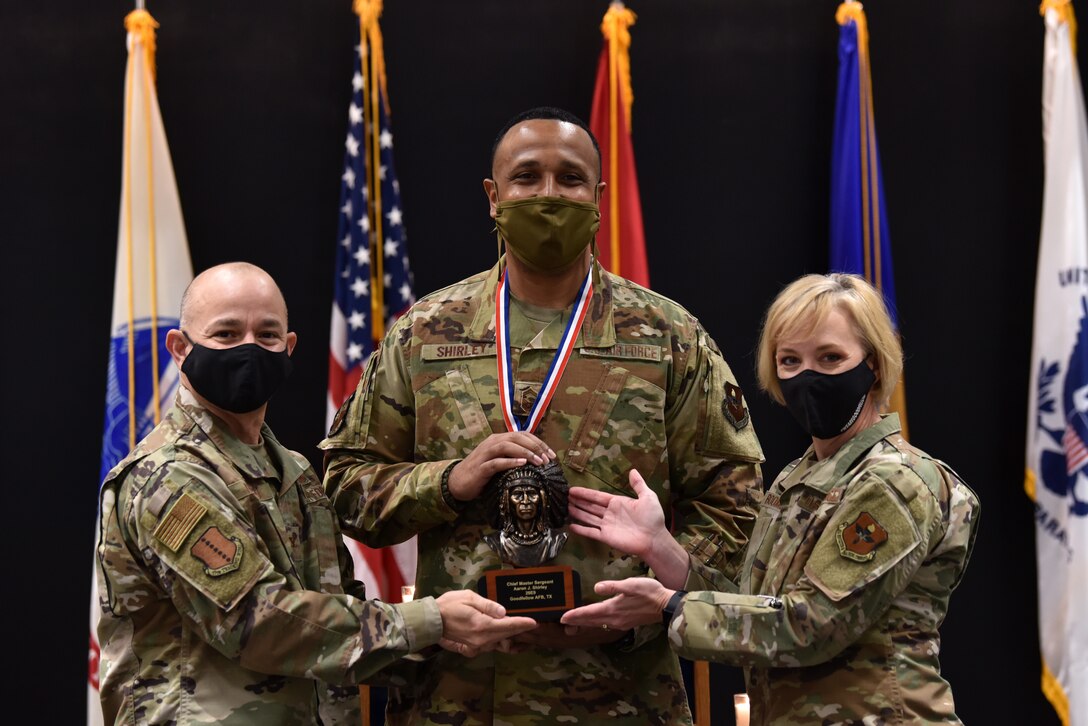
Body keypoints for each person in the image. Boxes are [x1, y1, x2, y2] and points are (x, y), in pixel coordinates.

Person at [320, 106, 765, 725]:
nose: (549, 194)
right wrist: (446, 482)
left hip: (622, 691)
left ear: (599, 197)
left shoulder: (668, 336)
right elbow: (343, 485)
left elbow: (737, 503)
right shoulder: (424, 334)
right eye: (527, 177)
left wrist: (671, 582)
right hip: (457, 693)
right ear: (493, 196)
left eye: (571, 178)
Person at [94, 262, 536, 725]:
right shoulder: (167, 477)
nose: (248, 348)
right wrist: (430, 621)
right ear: (181, 349)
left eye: (266, 335)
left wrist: (459, 639)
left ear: (288, 348)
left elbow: (336, 618)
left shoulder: (292, 471)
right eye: (226, 334)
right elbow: (258, 623)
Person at [561, 272, 981, 725]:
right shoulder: (799, 478)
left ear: (874, 363)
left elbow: (810, 626)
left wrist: (669, 607)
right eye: (790, 361)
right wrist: (659, 547)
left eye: (831, 357)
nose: (808, 376)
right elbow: (757, 607)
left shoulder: (895, 481)